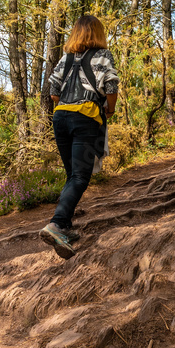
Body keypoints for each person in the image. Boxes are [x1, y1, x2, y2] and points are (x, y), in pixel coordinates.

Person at [40, 14, 118, 259]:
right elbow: (112, 86)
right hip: (85, 117)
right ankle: (56, 224)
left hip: (60, 117)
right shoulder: (103, 56)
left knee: (72, 175)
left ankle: (65, 228)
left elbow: (53, 91)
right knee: (80, 177)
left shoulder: (66, 57)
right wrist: (110, 108)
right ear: (98, 33)